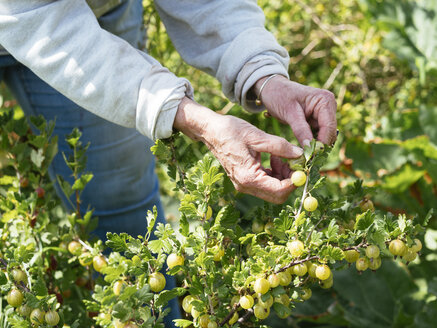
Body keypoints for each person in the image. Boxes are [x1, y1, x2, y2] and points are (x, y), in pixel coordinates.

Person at [0, 0, 337, 326]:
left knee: (122, 210)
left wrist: (264, 74)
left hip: (97, 9)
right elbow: (31, 14)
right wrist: (199, 121)